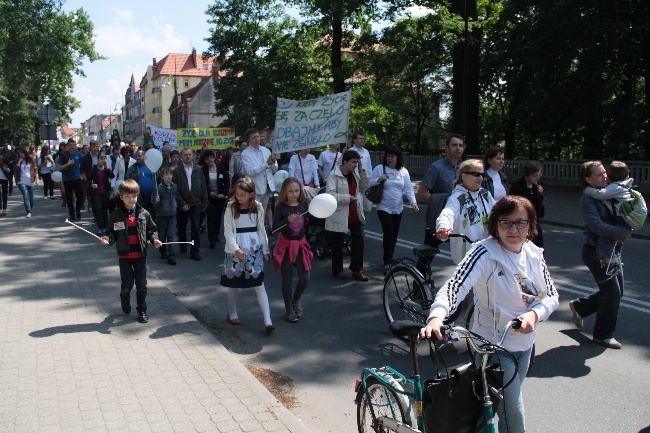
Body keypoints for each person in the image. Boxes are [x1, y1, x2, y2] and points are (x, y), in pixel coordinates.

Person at [420, 195, 559, 433]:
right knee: (512, 409)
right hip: (492, 346)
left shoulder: (533, 253)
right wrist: (436, 317)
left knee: (495, 403)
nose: (513, 229)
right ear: (495, 225)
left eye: (520, 223)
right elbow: (455, 286)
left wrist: (534, 316)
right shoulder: (483, 253)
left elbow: (552, 295)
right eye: (505, 222)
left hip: (525, 345)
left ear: (530, 226)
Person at [568, 161, 631, 349]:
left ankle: (580, 307)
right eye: (599, 174)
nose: (604, 177)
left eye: (605, 173)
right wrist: (622, 234)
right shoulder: (587, 200)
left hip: (613, 251)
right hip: (597, 253)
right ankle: (603, 335)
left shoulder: (610, 193)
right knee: (612, 293)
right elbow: (596, 226)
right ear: (588, 179)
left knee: (617, 292)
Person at [100, 179, 162, 324]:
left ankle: (142, 310)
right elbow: (111, 233)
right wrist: (108, 239)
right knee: (127, 285)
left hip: (140, 255)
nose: (131, 199)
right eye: (127, 196)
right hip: (124, 255)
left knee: (141, 285)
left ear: (137, 196)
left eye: (133, 196)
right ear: (121, 197)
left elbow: (152, 230)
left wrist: (154, 240)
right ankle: (125, 298)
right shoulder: (115, 215)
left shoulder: (144, 213)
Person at [221, 177, 274, 332]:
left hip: (253, 248)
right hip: (235, 248)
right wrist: (235, 248)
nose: (239, 197)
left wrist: (265, 250)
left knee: (259, 283)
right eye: (237, 193)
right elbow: (228, 231)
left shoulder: (257, 207)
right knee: (233, 284)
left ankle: (268, 319)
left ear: (251, 194)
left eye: (243, 194)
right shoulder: (231, 207)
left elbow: (261, 229)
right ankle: (232, 312)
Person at [416, 134, 465, 270]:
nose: (458, 148)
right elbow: (421, 192)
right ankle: (418, 286)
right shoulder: (436, 168)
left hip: (459, 220)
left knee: (466, 252)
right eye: (454, 145)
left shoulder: (464, 170)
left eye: (460, 145)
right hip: (439, 220)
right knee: (426, 256)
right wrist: (439, 202)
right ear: (446, 148)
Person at [369, 145, 419, 274]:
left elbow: (408, 188)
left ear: (398, 158)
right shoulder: (380, 168)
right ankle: (387, 261)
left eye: (393, 156)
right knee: (389, 233)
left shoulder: (403, 171)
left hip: (398, 207)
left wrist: (413, 202)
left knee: (394, 235)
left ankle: (390, 257)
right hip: (383, 207)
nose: (390, 158)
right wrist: (380, 179)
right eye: (388, 156)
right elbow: (370, 182)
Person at [435, 159, 496, 264]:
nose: (480, 178)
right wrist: (443, 227)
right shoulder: (457, 198)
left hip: (489, 251)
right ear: (464, 176)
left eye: (482, 174)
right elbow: (447, 213)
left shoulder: (486, 194)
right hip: (468, 256)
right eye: (476, 174)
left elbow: (499, 213)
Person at [272, 178, 313, 323]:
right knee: (287, 280)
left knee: (305, 278)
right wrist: (287, 220)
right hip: (285, 247)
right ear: (284, 192)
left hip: (300, 246)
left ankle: (295, 300)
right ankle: (289, 310)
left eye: (296, 190)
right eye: (290, 191)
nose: (294, 194)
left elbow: (312, 222)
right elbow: (274, 229)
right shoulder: (281, 208)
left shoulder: (304, 205)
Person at [326, 150, 370, 281]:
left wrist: (362, 172)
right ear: (345, 161)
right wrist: (347, 198)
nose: (355, 165)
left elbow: (364, 187)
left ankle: (357, 269)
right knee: (337, 243)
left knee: (359, 240)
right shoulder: (334, 175)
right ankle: (337, 269)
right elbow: (330, 195)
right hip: (339, 213)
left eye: (357, 162)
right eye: (353, 162)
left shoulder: (355, 174)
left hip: (354, 212)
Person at [173, 148, 208, 261]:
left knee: (195, 227)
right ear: (182, 157)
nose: (188, 156)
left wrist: (204, 202)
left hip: (195, 203)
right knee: (182, 226)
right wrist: (182, 203)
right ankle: (183, 244)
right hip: (182, 204)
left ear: (193, 156)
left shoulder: (198, 170)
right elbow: (174, 189)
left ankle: (195, 251)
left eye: (189, 154)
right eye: (185, 155)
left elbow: (203, 186)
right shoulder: (177, 171)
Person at [241, 128, 277, 215]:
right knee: (255, 213)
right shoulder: (245, 153)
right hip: (255, 188)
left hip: (267, 187)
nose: (257, 139)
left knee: (262, 214)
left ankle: (261, 228)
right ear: (248, 140)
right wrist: (266, 164)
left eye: (258, 136)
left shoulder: (266, 150)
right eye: (253, 137)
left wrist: (273, 163)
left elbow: (275, 169)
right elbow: (250, 171)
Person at [509, 161, 545, 247]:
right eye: (535, 175)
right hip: (522, 225)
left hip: (535, 226)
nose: (538, 178)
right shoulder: (517, 187)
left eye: (539, 175)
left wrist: (540, 194)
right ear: (527, 174)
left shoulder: (536, 187)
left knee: (538, 251)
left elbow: (540, 207)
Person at [201, 150, 228, 248]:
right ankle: (211, 239)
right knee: (211, 218)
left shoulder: (221, 168)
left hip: (220, 198)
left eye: (211, 158)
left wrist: (223, 194)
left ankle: (216, 235)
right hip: (209, 198)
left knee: (218, 218)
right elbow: (202, 185)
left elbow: (227, 183)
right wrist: (209, 193)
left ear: (214, 158)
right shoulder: (203, 170)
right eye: (207, 159)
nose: (209, 160)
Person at [154, 166, 179, 266]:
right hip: (162, 215)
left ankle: (171, 256)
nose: (169, 177)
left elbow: (176, 198)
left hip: (172, 214)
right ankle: (163, 250)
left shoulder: (174, 187)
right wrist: (157, 202)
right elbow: (155, 204)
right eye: (166, 175)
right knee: (162, 235)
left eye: (170, 174)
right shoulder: (158, 188)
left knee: (171, 235)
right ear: (162, 177)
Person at [86, 152, 114, 235]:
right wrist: (91, 184)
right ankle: (100, 226)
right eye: (101, 158)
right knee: (98, 209)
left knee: (105, 209)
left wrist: (107, 167)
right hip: (96, 192)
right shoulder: (93, 169)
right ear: (98, 159)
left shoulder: (106, 169)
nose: (103, 160)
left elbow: (112, 176)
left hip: (105, 192)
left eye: (104, 158)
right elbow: (88, 180)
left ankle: (105, 226)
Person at [56, 138, 84, 220]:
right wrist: (67, 164)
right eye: (70, 145)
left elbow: (84, 164)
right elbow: (58, 168)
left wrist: (82, 174)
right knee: (68, 197)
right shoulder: (64, 155)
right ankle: (72, 213)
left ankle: (78, 210)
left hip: (77, 178)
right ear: (67, 146)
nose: (72, 147)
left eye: (74, 145)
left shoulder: (78, 155)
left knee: (80, 195)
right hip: (67, 179)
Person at [126, 149, 157, 216]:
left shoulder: (152, 167)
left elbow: (159, 180)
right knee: (141, 217)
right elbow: (128, 182)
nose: (137, 158)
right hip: (139, 198)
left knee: (152, 217)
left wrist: (157, 194)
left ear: (144, 156)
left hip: (152, 198)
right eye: (136, 156)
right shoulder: (132, 169)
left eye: (139, 156)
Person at [15, 148, 38, 218]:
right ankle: (29, 212)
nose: (21, 155)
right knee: (25, 196)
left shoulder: (31, 160)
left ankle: (29, 208)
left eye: (22, 153)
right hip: (21, 181)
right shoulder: (19, 161)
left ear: (25, 153)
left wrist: (37, 179)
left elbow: (35, 170)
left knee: (32, 199)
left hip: (30, 180)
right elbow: (15, 170)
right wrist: (19, 161)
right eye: (19, 153)